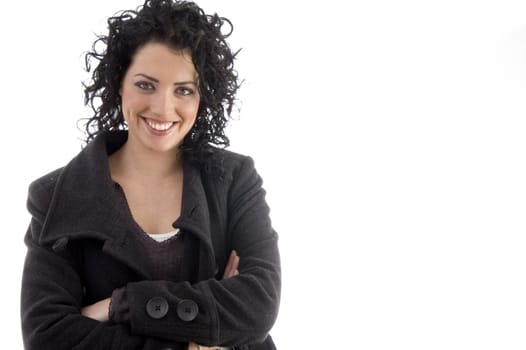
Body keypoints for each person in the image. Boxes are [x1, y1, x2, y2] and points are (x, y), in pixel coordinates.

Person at [20, 0, 281, 349]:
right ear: (119, 83)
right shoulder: (56, 196)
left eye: (184, 90)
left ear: (203, 98)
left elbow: (258, 308)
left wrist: (121, 305)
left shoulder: (235, 180)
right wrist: (200, 338)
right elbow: (48, 337)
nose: (162, 108)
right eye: (146, 85)